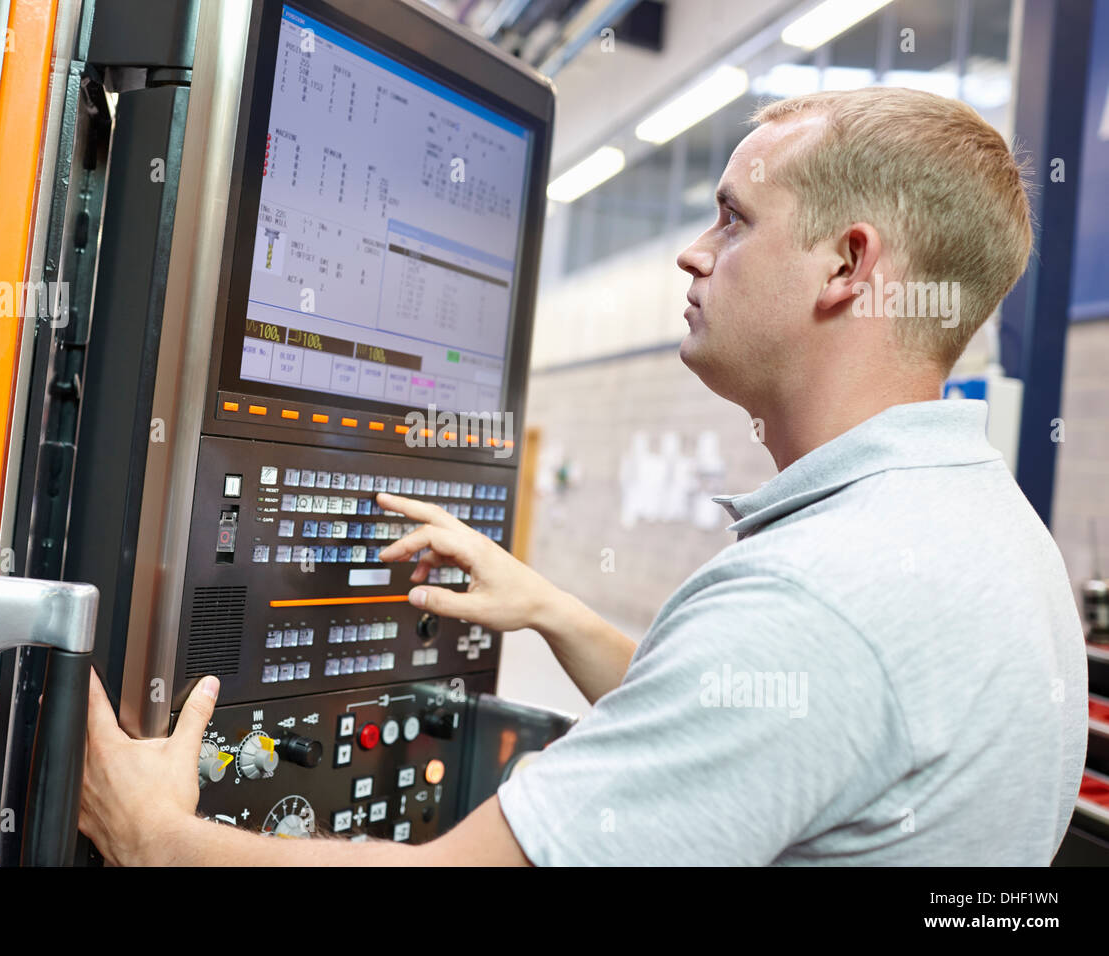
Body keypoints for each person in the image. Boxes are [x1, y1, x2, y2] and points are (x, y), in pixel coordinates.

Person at [79, 86, 1088, 865]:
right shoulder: (984, 529)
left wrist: (147, 835)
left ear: (846, 266)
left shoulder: (815, 600)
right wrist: (556, 609)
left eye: (733, 219)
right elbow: (768, 724)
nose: (693, 254)